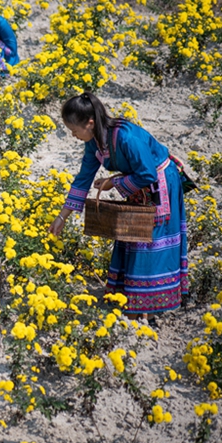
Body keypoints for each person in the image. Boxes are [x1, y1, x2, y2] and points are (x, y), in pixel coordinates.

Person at [48, 92, 190, 320]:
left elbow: (147, 173)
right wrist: (62, 217)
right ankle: (135, 304)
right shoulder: (94, 142)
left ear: (90, 123)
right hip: (139, 185)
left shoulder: (125, 137)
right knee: (133, 236)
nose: (73, 135)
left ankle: (146, 309)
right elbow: (83, 178)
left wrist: (113, 182)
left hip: (160, 184)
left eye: (74, 130)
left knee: (150, 243)